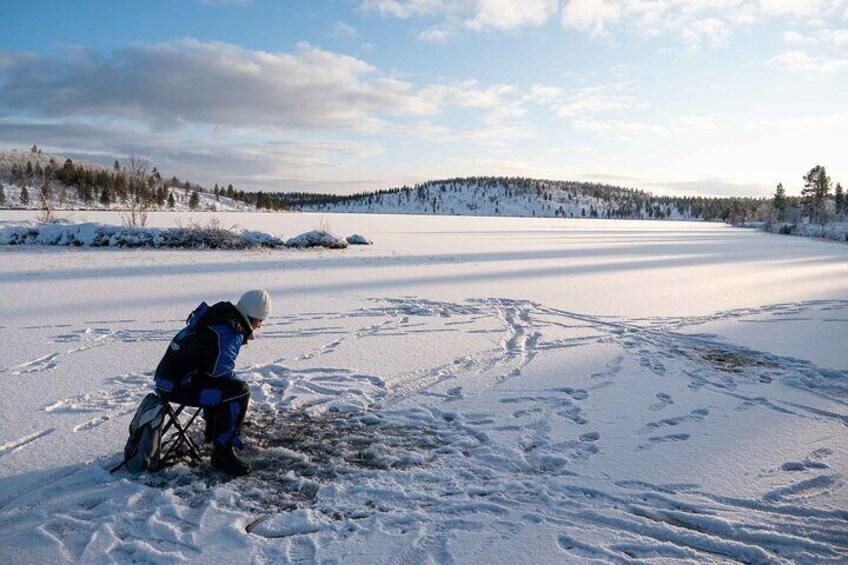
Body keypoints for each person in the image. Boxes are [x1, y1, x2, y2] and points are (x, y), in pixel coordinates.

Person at [153, 289, 272, 476]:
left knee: (223, 388)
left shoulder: (216, 317)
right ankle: (222, 453)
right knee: (238, 391)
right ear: (256, 318)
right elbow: (219, 374)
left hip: (166, 380)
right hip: (176, 387)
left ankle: (212, 433)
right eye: (261, 321)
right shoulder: (230, 332)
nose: (259, 326)